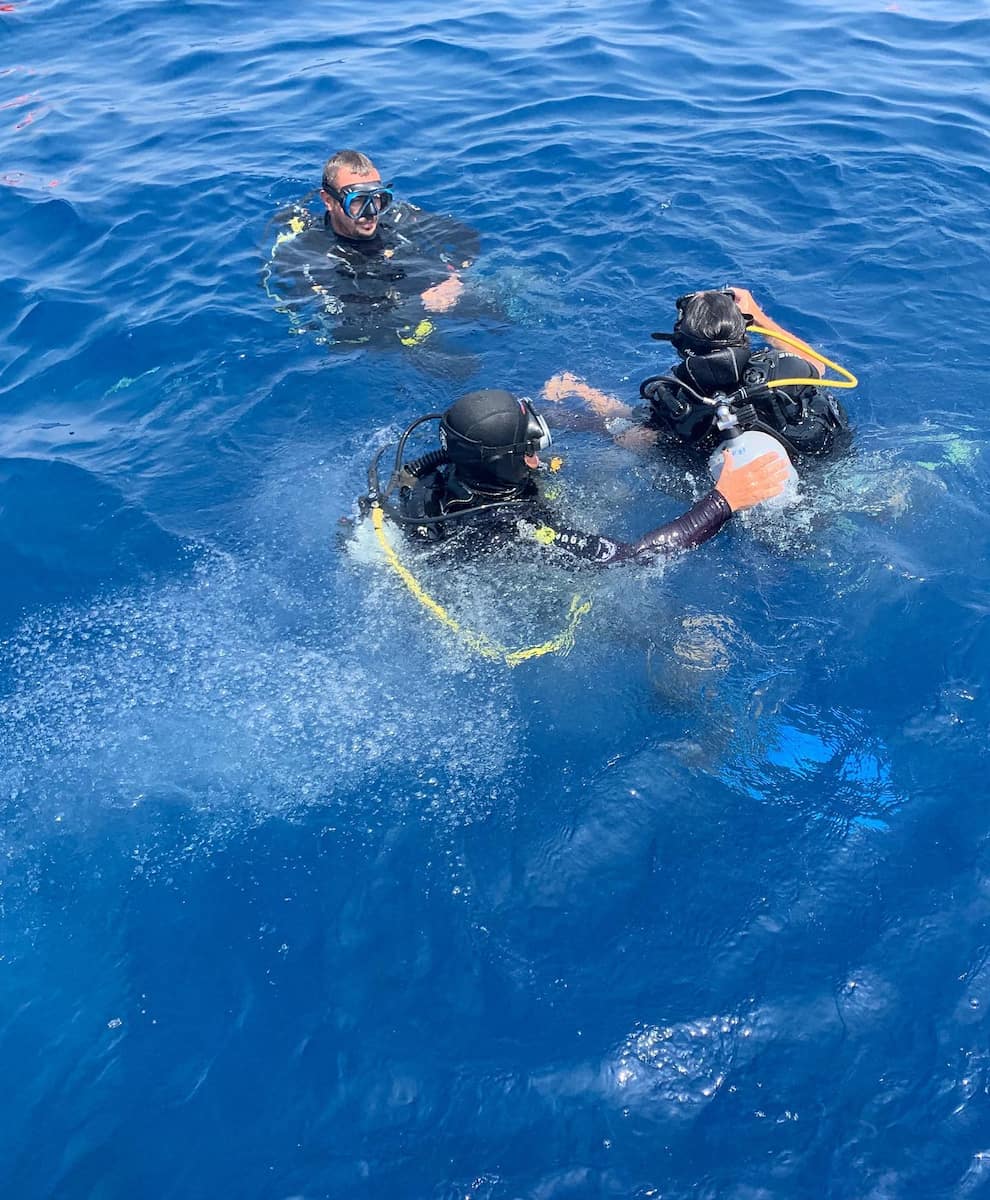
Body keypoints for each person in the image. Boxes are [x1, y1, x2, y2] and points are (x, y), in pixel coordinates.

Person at [363, 388, 789, 566]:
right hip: (515, 583)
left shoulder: (441, 471)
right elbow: (630, 558)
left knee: (612, 478)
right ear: (504, 461)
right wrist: (724, 500)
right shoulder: (514, 525)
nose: (537, 455)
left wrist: (598, 416)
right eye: (530, 448)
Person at [543, 288, 851, 459]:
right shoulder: (785, 369)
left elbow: (632, 438)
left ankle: (575, 394)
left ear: (681, 344)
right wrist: (757, 314)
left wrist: (584, 396)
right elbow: (820, 366)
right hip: (813, 462)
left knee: (626, 428)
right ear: (744, 330)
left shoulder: (675, 397)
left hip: (722, 476)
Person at [262, 149, 479, 348]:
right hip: (398, 333)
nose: (371, 213)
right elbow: (342, 329)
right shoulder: (306, 253)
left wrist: (454, 274)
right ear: (329, 201)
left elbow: (466, 238)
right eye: (357, 202)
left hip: (441, 295)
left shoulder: (399, 216)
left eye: (377, 199)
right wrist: (420, 305)